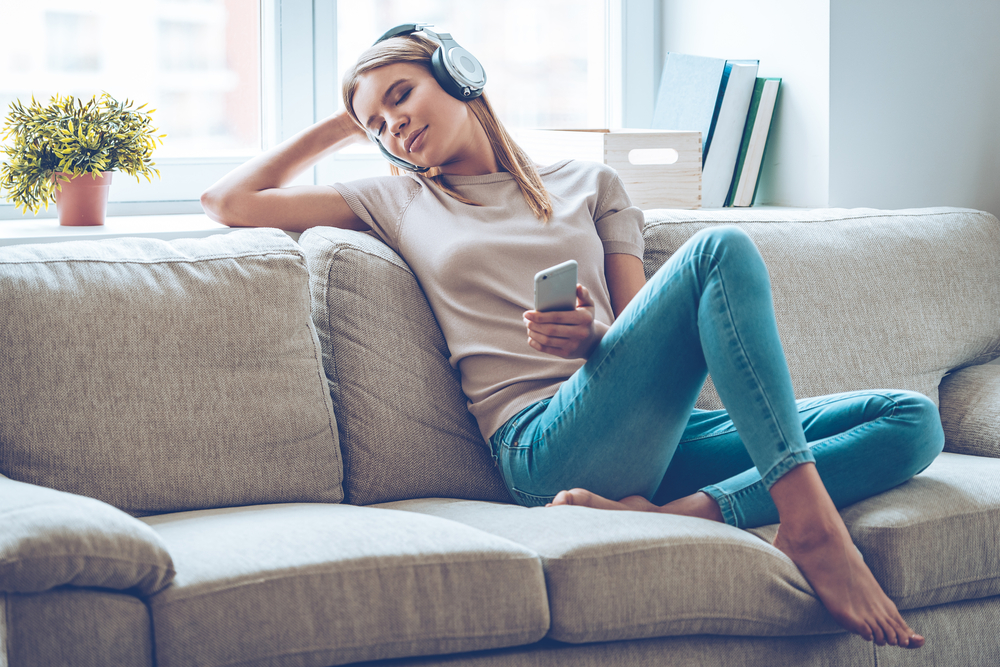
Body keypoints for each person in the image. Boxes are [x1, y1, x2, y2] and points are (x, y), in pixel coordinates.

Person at [201, 26, 944, 650]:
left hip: (650, 431)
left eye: (403, 94)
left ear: (459, 74)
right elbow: (229, 200)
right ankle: (809, 524)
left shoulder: (592, 183)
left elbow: (638, 329)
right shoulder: (395, 195)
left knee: (913, 420)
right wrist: (349, 111)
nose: (394, 125)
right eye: (378, 126)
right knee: (722, 249)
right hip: (540, 445)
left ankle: (688, 514)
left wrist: (595, 339)